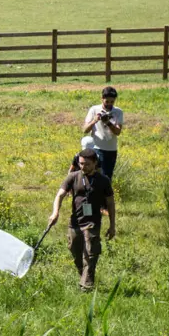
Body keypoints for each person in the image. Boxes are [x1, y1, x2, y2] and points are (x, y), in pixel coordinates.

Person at [48, 148, 116, 291]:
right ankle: (84, 274)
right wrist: (55, 212)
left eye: (87, 164)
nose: (83, 167)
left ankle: (86, 286)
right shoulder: (73, 177)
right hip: (75, 222)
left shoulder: (103, 181)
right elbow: (59, 195)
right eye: (81, 164)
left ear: (95, 163)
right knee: (75, 250)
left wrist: (112, 225)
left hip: (93, 223)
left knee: (91, 254)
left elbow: (110, 203)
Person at [83, 86, 124, 181]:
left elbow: (117, 132)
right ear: (102, 99)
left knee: (106, 179)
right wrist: (94, 120)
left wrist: (108, 123)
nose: (109, 104)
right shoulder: (94, 110)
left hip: (111, 150)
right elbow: (85, 130)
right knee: (93, 176)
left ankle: (105, 195)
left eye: (112, 102)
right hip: (96, 148)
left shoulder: (118, 112)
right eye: (107, 101)